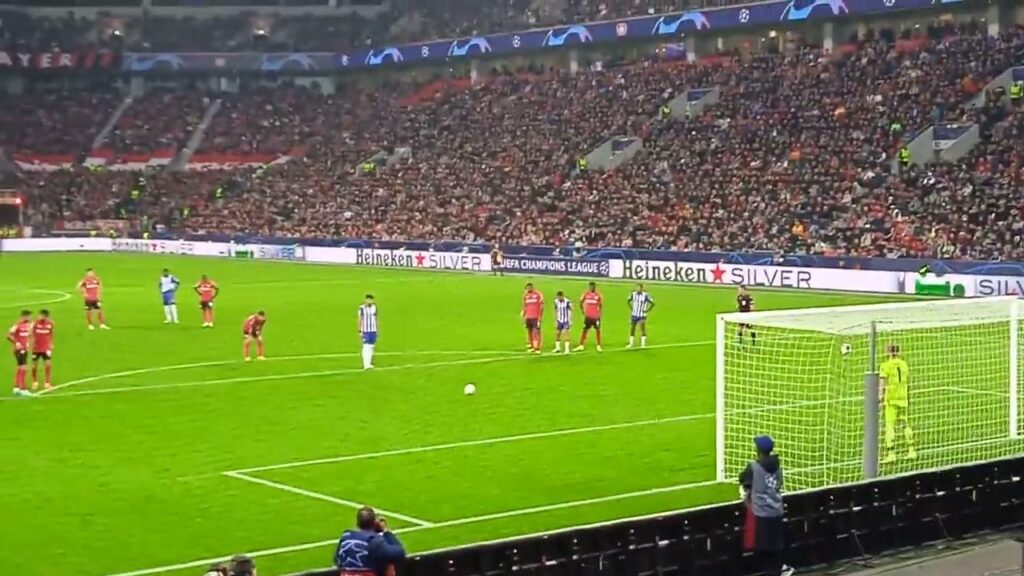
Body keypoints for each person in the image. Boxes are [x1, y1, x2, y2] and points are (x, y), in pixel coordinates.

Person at [740, 435, 794, 576]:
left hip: (761, 515)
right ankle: (780, 570)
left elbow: (743, 480)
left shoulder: (753, 467)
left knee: (763, 550)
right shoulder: (778, 468)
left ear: (758, 450)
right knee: (775, 548)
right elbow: (778, 485)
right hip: (776, 512)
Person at [334, 506, 405, 576]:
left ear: (357, 523)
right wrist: (386, 532)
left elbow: (337, 560)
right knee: (388, 563)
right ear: (374, 523)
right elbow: (400, 553)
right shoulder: (374, 541)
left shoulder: (346, 537)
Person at [880, 343, 915, 463]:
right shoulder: (904, 364)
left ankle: (891, 454)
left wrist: (880, 396)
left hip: (891, 399)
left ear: (888, 352)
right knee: (906, 424)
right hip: (903, 397)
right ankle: (911, 451)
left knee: (890, 426)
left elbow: (883, 382)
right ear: (898, 352)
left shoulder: (886, 365)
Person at [7, 310, 32, 396]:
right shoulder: (17, 325)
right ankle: (23, 388)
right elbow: (9, 335)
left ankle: (16, 387)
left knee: (20, 368)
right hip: (19, 350)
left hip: (25, 349)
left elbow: (27, 335)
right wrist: (17, 343)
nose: (30, 318)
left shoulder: (28, 325)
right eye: (28, 316)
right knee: (24, 368)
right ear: (23, 316)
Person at [575, 282, 603, 352]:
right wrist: (582, 310)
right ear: (589, 287)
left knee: (597, 330)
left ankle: (598, 345)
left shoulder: (598, 295)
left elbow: (600, 305)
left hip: (596, 316)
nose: (592, 288)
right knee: (585, 330)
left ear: (595, 287)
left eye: (593, 287)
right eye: (591, 286)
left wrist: (599, 313)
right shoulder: (586, 294)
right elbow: (581, 302)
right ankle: (581, 345)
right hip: (588, 316)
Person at [31, 309, 54, 391]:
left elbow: (51, 333)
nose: (40, 317)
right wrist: (31, 342)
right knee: (34, 366)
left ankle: (47, 383)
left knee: (48, 364)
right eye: (40, 315)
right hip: (36, 348)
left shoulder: (50, 324)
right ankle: (34, 382)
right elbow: (31, 333)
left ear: (46, 316)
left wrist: (51, 343)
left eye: (42, 316)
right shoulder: (35, 323)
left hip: (46, 348)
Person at [627, 283, 654, 349]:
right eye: (637, 288)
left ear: (641, 288)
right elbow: (628, 300)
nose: (637, 289)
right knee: (632, 328)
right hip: (634, 314)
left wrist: (647, 310)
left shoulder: (645, 295)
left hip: (642, 315)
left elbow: (652, 303)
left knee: (642, 328)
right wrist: (631, 308)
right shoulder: (633, 294)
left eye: (639, 288)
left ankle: (643, 344)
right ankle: (631, 343)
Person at [522, 283, 544, 354]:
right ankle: (531, 346)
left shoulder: (538, 294)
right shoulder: (526, 295)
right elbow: (525, 306)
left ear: (532, 287)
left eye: (530, 287)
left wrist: (540, 316)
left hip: (536, 316)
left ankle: (538, 348)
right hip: (528, 317)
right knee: (529, 331)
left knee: (537, 331)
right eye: (527, 288)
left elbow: (542, 305)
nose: (529, 289)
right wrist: (524, 313)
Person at [359, 294, 378, 370]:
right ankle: (365, 364)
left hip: (373, 330)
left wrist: (377, 330)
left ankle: (369, 363)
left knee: (371, 346)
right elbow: (360, 319)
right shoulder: (362, 308)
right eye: (368, 300)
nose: (370, 301)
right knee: (366, 346)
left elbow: (376, 319)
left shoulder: (374, 308)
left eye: (371, 300)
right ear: (365, 300)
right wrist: (360, 330)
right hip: (366, 330)